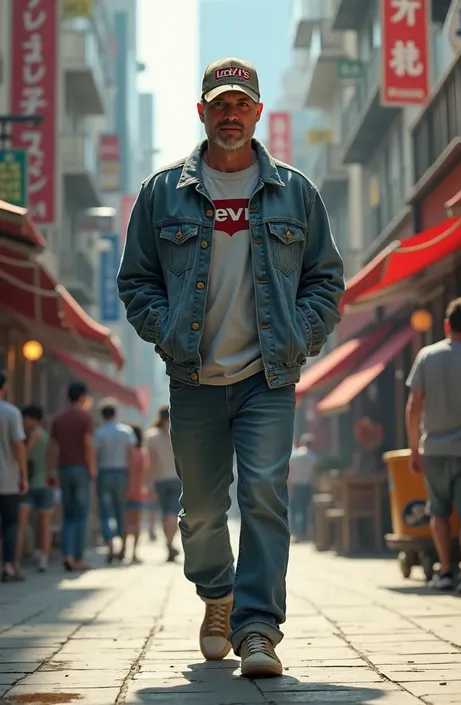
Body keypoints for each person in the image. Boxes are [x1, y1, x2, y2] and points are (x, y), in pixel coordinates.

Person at [117, 57, 344, 677]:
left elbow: (325, 278)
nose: (230, 114)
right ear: (202, 112)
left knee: (266, 496)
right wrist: (167, 334)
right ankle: (216, 594)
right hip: (193, 377)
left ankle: (258, 630)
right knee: (204, 511)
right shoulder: (162, 192)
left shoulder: (296, 192)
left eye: (241, 104)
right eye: (220, 104)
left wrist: (300, 336)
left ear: (258, 113)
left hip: (268, 377)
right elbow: (136, 280)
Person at [406, 298, 461, 594]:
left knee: (439, 511)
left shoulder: (426, 356)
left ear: (447, 324)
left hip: (433, 447)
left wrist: (413, 448)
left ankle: (445, 571)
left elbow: (414, 405)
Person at [47, 381, 95, 572]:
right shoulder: (85, 418)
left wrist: (50, 470)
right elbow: (88, 444)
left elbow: (52, 447)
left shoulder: (58, 418)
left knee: (67, 514)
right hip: (81, 469)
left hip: (64, 468)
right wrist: (92, 468)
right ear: (82, 397)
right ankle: (78, 558)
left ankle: (66, 555)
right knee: (81, 514)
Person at [94, 401, 135, 564]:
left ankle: (110, 545)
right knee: (121, 510)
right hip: (121, 473)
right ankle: (123, 547)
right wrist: (132, 479)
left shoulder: (99, 433)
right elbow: (131, 456)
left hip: (104, 472)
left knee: (105, 511)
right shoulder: (126, 432)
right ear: (116, 414)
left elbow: (94, 455)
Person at [0, 371, 28, 582]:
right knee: (10, 523)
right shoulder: (10, 412)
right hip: (7, 478)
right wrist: (24, 476)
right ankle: (9, 565)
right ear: (5, 387)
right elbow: (18, 446)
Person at [18, 405, 53, 572]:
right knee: (45, 523)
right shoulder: (46, 435)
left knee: (21, 523)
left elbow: (24, 454)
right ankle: (44, 559)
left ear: (32, 419)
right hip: (45, 483)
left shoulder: (35, 434)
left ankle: (15, 561)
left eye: (25, 419)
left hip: (31, 483)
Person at [145, 406, 181, 563]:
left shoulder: (152, 436)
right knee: (173, 513)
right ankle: (169, 544)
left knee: (165, 513)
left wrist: (149, 483)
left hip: (160, 480)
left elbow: (151, 463)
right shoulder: (180, 433)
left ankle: (168, 545)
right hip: (177, 479)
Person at [125, 425, 149, 564]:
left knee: (126, 522)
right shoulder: (143, 452)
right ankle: (134, 552)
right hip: (139, 489)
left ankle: (123, 549)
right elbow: (146, 470)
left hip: (126, 489)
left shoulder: (128, 452)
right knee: (137, 522)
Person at [288, 434, 317, 542]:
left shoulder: (294, 456)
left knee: (294, 509)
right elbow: (313, 474)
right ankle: (303, 533)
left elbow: (290, 472)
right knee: (304, 510)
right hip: (306, 485)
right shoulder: (312, 457)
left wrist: (289, 485)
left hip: (295, 485)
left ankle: (295, 533)